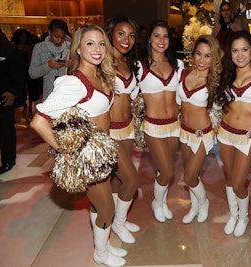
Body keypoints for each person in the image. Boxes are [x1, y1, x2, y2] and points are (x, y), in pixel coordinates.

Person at [30, 24, 127, 267]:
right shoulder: (73, 83)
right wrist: (67, 151)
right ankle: (101, 254)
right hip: (87, 155)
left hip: (103, 149)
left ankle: (102, 246)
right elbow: (38, 122)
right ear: (79, 49)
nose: (97, 49)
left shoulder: (102, 75)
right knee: (107, 208)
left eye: (101, 43)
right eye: (90, 43)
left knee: (99, 204)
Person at [214, 30, 251, 237]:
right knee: (229, 176)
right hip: (225, 132)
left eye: (244, 49)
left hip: (248, 136)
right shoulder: (227, 74)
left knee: (238, 182)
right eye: (235, 50)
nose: (240, 54)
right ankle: (233, 214)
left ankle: (243, 217)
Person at [137, 20, 184, 222]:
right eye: (157, 35)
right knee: (168, 170)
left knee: (164, 170)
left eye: (165, 36)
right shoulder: (139, 66)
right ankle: (157, 202)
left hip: (174, 125)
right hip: (153, 126)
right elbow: (128, 91)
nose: (161, 40)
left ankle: (163, 201)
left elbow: (182, 94)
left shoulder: (177, 65)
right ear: (149, 39)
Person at [177, 35, 223, 224]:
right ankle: (194, 206)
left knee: (188, 176)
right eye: (198, 54)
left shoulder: (215, 82)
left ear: (214, 58)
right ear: (193, 54)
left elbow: (220, 110)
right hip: (184, 132)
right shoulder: (183, 74)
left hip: (202, 135)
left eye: (208, 56)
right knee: (192, 175)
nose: (202, 60)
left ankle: (203, 204)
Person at [104, 15, 141, 244]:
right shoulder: (103, 61)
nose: (126, 39)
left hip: (128, 128)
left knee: (118, 181)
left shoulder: (129, 62)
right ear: (111, 34)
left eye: (131, 35)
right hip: (110, 131)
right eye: (121, 33)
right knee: (131, 180)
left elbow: (131, 97)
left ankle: (121, 219)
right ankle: (118, 224)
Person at [0, 17, 25, 174]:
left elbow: (19, 77)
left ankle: (9, 160)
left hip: (1, 100)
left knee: (6, 132)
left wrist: (13, 93)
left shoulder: (7, 52)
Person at [28, 19, 71, 101]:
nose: (59, 40)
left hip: (67, 94)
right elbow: (32, 73)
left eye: (62, 37)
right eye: (56, 36)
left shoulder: (69, 47)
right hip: (49, 95)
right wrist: (48, 65)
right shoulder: (39, 48)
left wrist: (71, 66)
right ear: (50, 32)